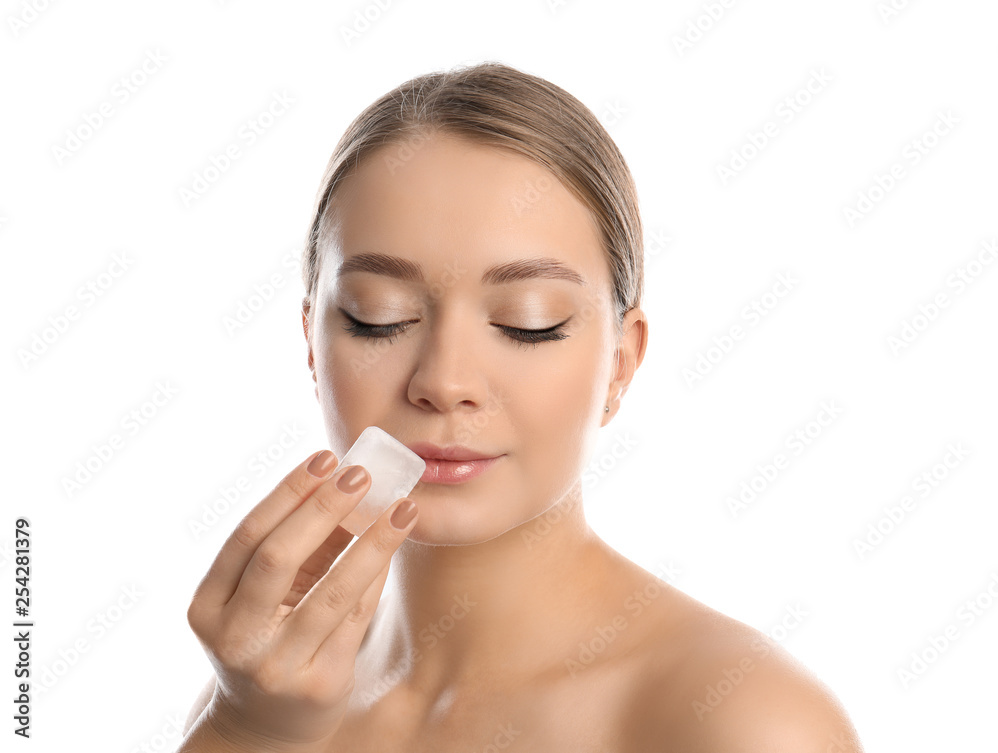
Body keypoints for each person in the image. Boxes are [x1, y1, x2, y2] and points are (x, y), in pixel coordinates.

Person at [179, 61, 865, 752]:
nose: (444, 383)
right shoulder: (275, 692)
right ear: (310, 340)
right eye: (378, 316)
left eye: (526, 322)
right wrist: (245, 731)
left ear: (621, 363)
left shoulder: (741, 721)